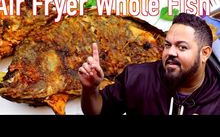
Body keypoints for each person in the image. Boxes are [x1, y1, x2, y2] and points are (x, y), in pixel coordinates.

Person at [78, 13, 220, 115]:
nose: (170, 52)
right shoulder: (137, 77)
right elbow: (98, 111)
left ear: (205, 53)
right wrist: (90, 89)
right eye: (167, 45)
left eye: (182, 47)